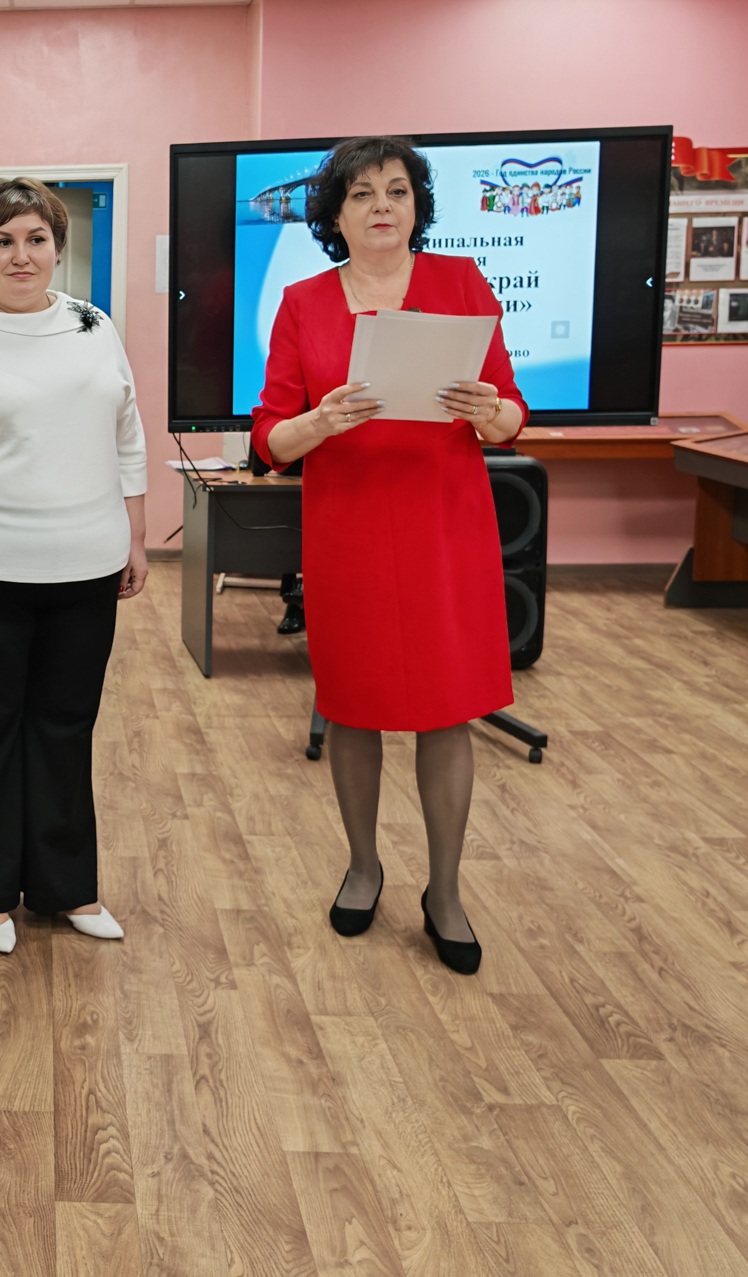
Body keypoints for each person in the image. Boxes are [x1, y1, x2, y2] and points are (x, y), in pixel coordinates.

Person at [249, 136, 524, 976]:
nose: (381, 206)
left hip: (445, 528)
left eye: (397, 191)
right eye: (362, 193)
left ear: (416, 208)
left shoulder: (462, 284)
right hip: (351, 531)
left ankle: (446, 892)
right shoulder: (303, 302)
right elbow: (270, 439)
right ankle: (364, 867)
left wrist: (487, 410)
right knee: (355, 706)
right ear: (334, 215)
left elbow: (512, 417)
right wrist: (319, 422)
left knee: (448, 709)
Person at [0, 178, 146, 955]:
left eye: (37, 239)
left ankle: (66, 885)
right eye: (2, 241)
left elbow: (127, 432)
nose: (22, 255)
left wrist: (136, 532)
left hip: (88, 564)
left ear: (56, 246)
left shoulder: (92, 323)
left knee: (67, 726)